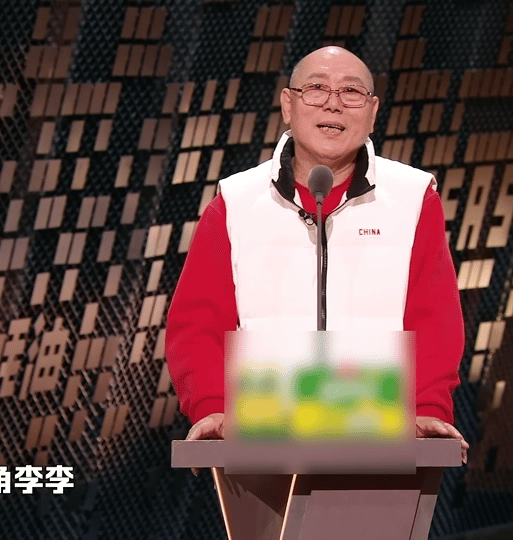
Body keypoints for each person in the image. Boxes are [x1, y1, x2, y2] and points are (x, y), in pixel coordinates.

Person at [165, 46, 467, 471]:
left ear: (373, 112)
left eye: (351, 92)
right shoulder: (236, 201)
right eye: (317, 88)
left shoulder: (413, 197)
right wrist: (211, 406)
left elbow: (436, 317)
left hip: (381, 436)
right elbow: (196, 322)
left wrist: (428, 406)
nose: (333, 103)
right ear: (288, 105)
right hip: (261, 436)